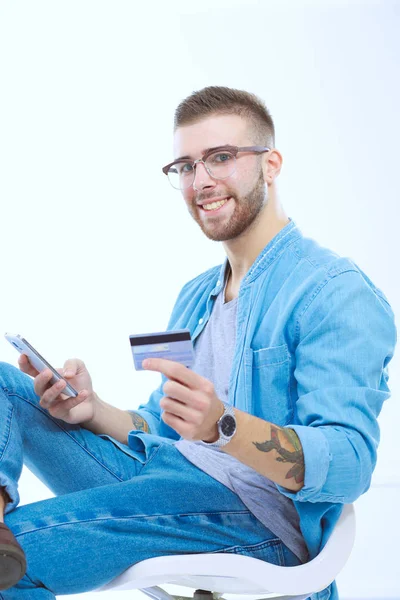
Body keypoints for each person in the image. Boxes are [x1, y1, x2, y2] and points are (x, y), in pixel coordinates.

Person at [0, 86, 396, 600]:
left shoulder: (334, 291)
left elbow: (348, 464)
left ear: (270, 165)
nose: (200, 180)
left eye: (221, 158)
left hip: (255, 519)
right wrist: (91, 410)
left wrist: (222, 426)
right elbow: (160, 422)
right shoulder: (195, 296)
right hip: (166, 473)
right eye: (185, 166)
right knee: (7, 385)